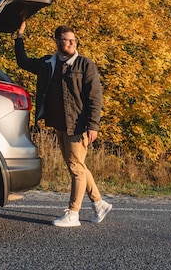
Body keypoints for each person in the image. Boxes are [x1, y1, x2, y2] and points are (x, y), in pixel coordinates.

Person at [14, 20, 112, 227]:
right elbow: (22, 61)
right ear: (57, 41)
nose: (71, 44)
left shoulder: (85, 64)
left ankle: (73, 214)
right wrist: (19, 36)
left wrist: (93, 125)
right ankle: (99, 203)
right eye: (66, 40)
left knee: (76, 168)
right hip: (59, 124)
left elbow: (95, 97)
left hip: (78, 124)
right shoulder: (47, 64)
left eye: (73, 40)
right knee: (77, 165)